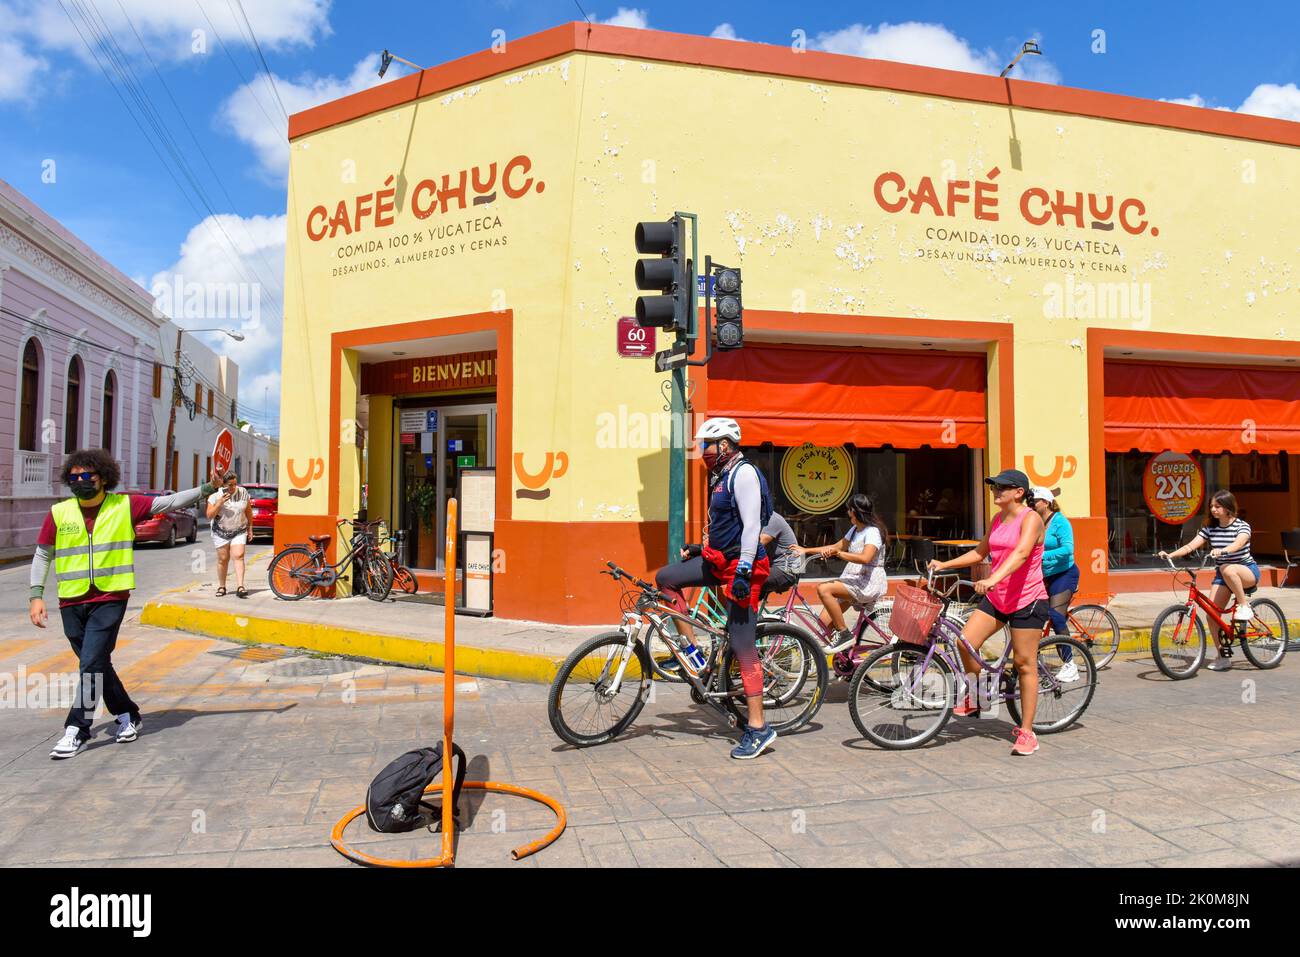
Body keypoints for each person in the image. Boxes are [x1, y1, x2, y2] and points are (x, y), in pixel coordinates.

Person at [29, 449, 220, 759]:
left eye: (86, 476)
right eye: (74, 477)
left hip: (110, 598)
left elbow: (170, 502)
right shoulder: (59, 512)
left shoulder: (125, 505)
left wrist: (208, 488)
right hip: (71, 601)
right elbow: (43, 554)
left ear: (103, 478)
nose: (80, 481)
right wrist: (36, 595)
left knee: (90, 663)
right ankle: (128, 714)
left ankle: (77, 728)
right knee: (97, 663)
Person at [656, 417, 775, 760]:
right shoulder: (720, 476)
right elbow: (725, 525)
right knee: (666, 578)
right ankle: (693, 654)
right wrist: (698, 548)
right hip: (718, 561)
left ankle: (758, 727)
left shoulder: (744, 473)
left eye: (707, 445)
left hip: (743, 568)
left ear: (725, 445)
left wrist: (744, 570)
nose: (702, 451)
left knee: (742, 646)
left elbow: (752, 526)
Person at [928, 468, 1049, 756]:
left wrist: (993, 579)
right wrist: (945, 565)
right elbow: (979, 553)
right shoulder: (997, 519)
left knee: (1024, 664)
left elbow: (1021, 553)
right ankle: (980, 696)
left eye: (1002, 487)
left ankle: (1028, 732)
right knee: (965, 642)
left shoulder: (1030, 518)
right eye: (994, 487)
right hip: (999, 598)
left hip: (1027, 600)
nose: (996, 491)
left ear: (1019, 492)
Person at [1158, 490, 1258, 672]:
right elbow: (1190, 545)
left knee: (1228, 567)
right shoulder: (1210, 529)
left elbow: (1238, 544)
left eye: (1217, 506)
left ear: (1228, 508)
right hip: (1224, 575)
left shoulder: (1242, 526)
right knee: (1211, 615)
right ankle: (1222, 655)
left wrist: (1224, 551)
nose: (1213, 509)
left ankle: (1244, 605)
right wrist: (1170, 554)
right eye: (1211, 506)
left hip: (1246, 571)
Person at [792, 493, 889, 652]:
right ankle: (845, 658)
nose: (847, 513)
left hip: (866, 581)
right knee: (824, 622)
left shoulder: (872, 532)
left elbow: (866, 558)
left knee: (824, 589)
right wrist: (805, 550)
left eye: (849, 510)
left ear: (854, 511)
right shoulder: (855, 530)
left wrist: (840, 555)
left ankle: (844, 634)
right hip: (852, 579)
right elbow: (835, 547)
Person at [1033, 486, 1082, 681]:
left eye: (1035, 500)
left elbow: (1068, 549)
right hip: (1045, 575)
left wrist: (1041, 556)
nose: (1032, 504)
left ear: (1045, 502)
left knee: (1055, 615)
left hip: (1065, 574)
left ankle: (1070, 665)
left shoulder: (1060, 522)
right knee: (1033, 612)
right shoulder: (1036, 522)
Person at [207, 470, 253, 598]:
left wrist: (250, 527)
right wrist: (219, 503)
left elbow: (248, 511)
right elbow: (209, 515)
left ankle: (240, 586)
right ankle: (222, 586)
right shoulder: (215, 496)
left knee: (239, 556)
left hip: (239, 529)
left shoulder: (243, 492)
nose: (233, 487)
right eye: (230, 485)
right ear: (223, 485)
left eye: (235, 484)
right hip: (220, 531)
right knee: (223, 559)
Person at [758, 511, 802, 603]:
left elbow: (758, 544)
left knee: (746, 580)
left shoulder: (771, 518)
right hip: (776, 567)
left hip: (786, 571)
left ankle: (749, 617)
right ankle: (748, 615)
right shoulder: (759, 519)